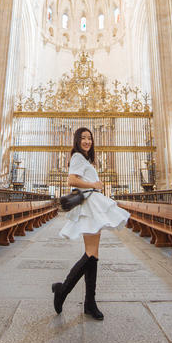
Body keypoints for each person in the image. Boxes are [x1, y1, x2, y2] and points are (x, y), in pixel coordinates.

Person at [52, 127, 130, 320]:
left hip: (92, 205)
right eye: (83, 138)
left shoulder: (85, 159)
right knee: (91, 253)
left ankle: (89, 302)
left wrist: (94, 183)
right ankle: (63, 290)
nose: (87, 141)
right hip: (89, 206)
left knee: (93, 254)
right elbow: (71, 180)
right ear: (77, 140)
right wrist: (94, 184)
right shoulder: (78, 157)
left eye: (89, 138)